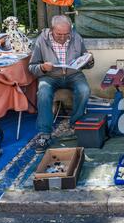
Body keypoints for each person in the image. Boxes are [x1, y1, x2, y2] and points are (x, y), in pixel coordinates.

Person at [29, 15, 94, 153]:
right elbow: (32, 67)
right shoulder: (41, 40)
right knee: (43, 92)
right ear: (52, 30)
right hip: (50, 76)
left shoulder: (76, 37)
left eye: (66, 34)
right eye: (59, 34)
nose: (63, 37)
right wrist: (42, 67)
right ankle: (44, 134)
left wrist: (89, 59)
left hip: (73, 74)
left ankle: (75, 123)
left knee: (84, 90)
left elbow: (86, 63)